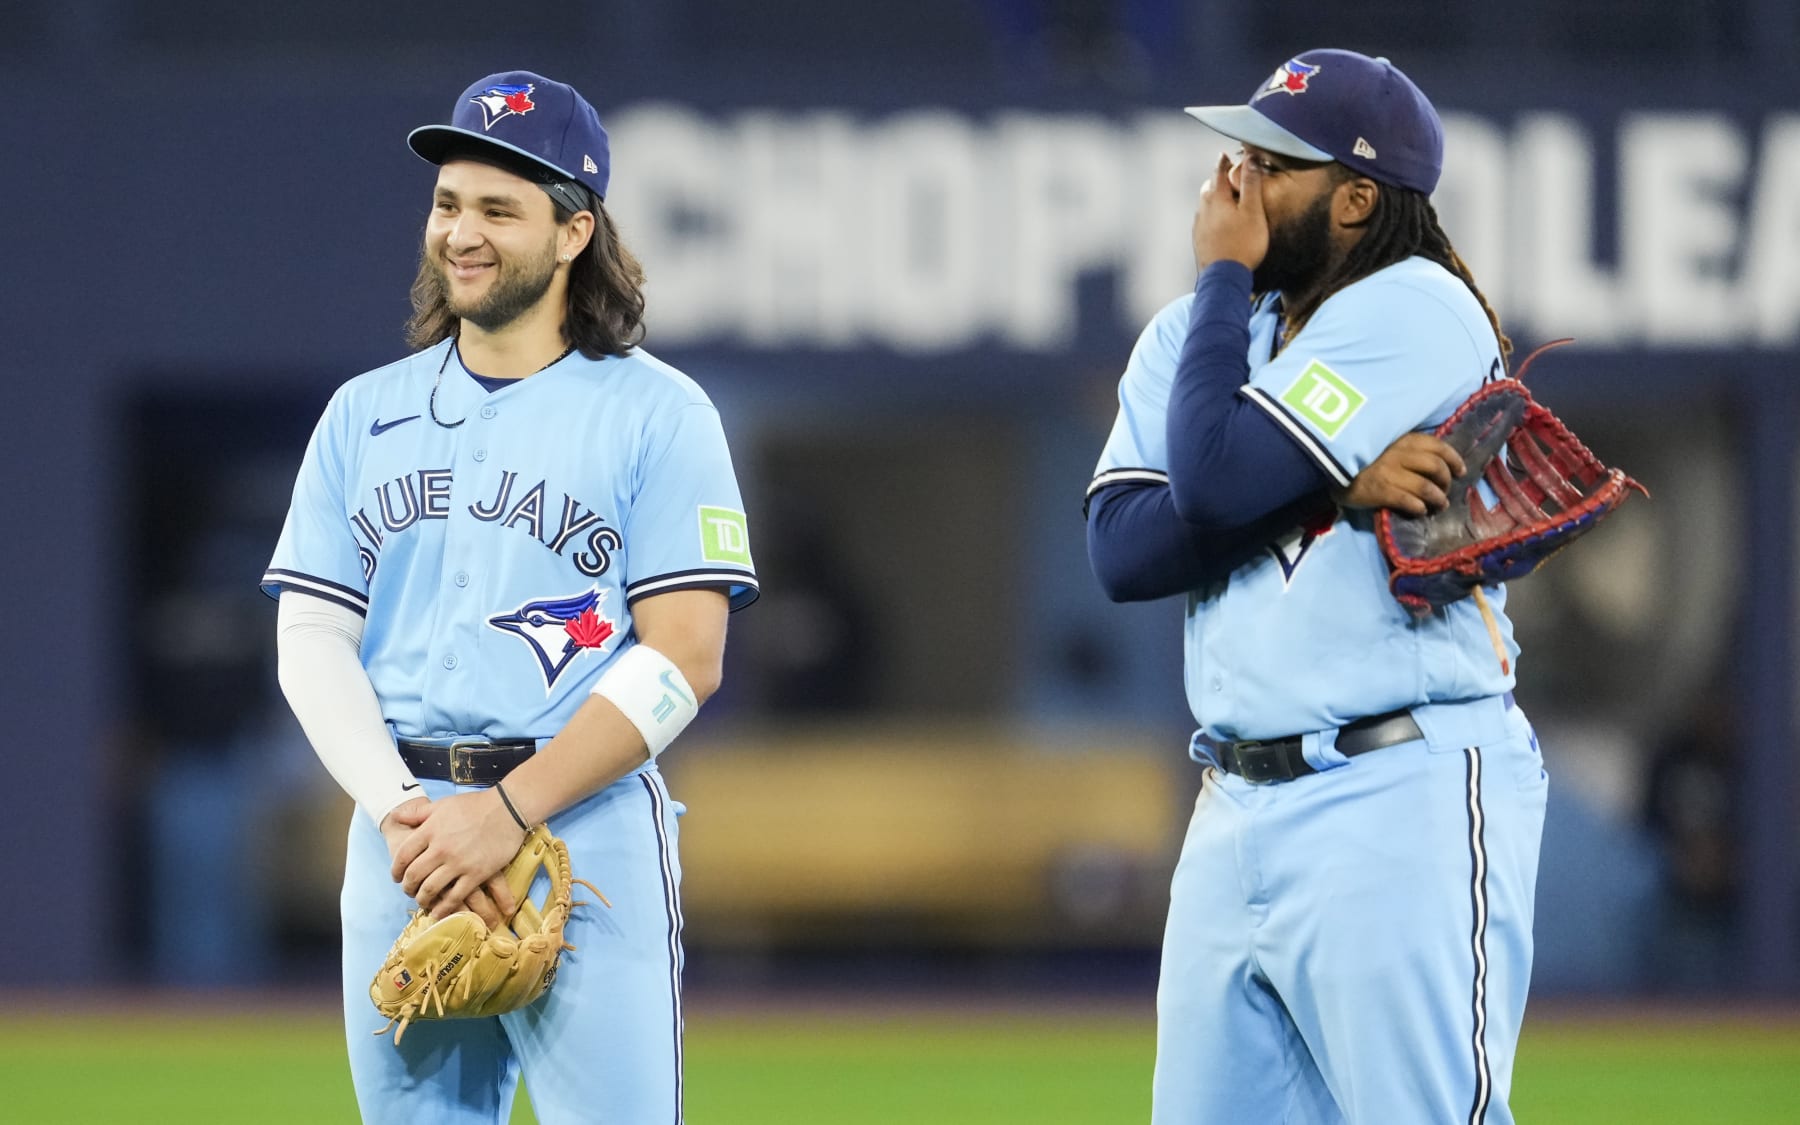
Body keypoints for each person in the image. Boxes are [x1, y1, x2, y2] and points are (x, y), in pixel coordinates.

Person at [262, 71, 758, 1124]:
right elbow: (309, 635)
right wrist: (408, 816)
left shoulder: (661, 414)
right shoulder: (364, 415)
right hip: (402, 836)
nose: (462, 232)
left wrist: (506, 814)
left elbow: (685, 660)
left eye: (499, 208)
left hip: (584, 832)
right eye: (448, 203)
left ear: (575, 231)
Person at [1086, 49, 1547, 1124]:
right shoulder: (1197, 337)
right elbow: (1123, 552)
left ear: (1356, 198)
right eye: (1240, 147)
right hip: (1233, 804)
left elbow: (1208, 484)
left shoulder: (1420, 306)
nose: (1238, 175)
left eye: (1277, 160)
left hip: (1399, 788)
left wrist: (1215, 277)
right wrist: (1330, 487)